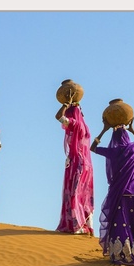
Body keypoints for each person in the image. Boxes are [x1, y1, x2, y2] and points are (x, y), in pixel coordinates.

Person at [90, 116, 134, 265]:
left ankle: (123, 253)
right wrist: (133, 129)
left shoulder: (113, 152)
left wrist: (104, 130)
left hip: (121, 193)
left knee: (121, 222)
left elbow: (93, 148)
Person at [54, 100, 94, 234]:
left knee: (74, 192)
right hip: (86, 165)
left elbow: (59, 117)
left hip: (77, 163)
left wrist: (65, 105)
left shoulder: (75, 124)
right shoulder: (84, 127)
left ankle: (76, 224)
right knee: (83, 193)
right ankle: (86, 224)